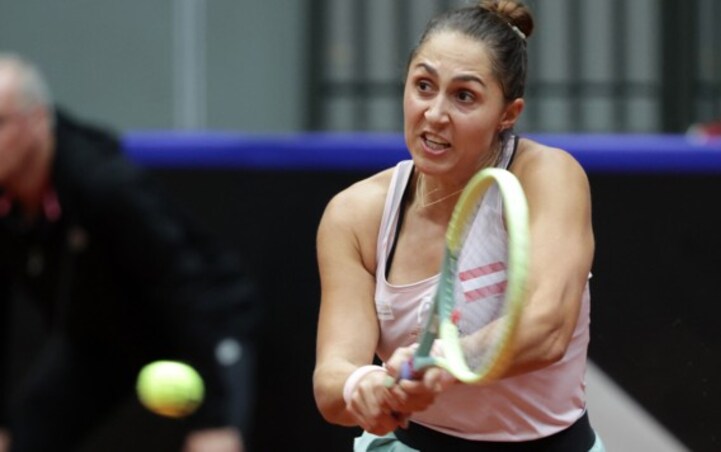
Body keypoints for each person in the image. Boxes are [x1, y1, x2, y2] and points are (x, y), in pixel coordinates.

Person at [313, 1, 604, 450]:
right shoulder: (354, 215)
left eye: (464, 96)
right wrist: (363, 387)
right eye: (423, 86)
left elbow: (546, 330)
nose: (434, 114)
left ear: (508, 114)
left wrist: (441, 360)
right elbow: (332, 381)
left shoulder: (548, 177)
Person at [0, 53, 262, 451]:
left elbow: (184, 289)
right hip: (101, 336)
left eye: (0, 123)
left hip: (201, 325)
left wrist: (215, 419)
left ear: (37, 119)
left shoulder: (104, 184)